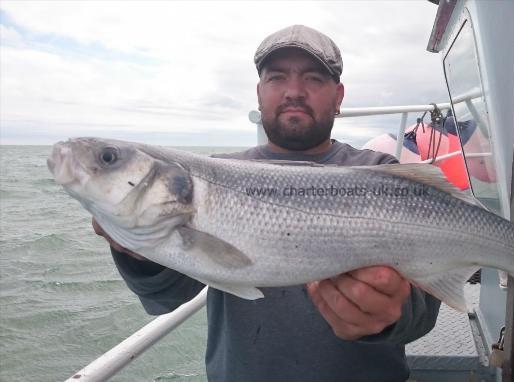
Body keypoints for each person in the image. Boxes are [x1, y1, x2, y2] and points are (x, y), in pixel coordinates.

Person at [94, 24, 440, 382]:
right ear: (259, 94)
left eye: (313, 79)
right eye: (277, 78)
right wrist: (138, 250)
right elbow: (165, 298)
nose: (294, 91)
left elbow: (423, 312)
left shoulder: (383, 175)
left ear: (338, 97)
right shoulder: (213, 176)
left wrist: (391, 314)